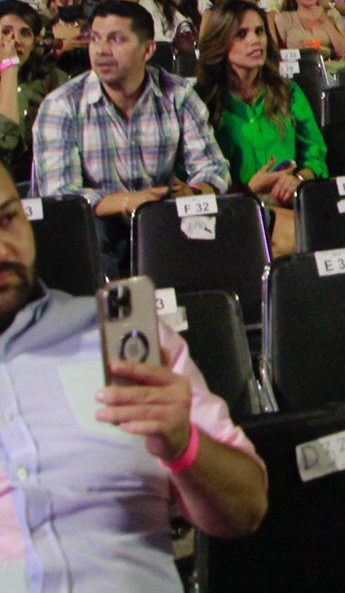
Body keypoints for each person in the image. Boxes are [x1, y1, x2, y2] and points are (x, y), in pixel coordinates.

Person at [0, 161, 268, 587]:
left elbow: (247, 508)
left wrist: (183, 443)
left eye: (7, 219)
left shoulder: (117, 334)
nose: (3, 250)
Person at [31, 1, 231, 276]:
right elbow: (61, 197)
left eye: (116, 40)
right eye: (95, 39)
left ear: (147, 50)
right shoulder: (62, 105)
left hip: (162, 220)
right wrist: (128, 202)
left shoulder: (177, 94)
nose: (101, 50)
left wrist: (194, 193)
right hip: (94, 231)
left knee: (226, 230)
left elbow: (213, 167)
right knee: (94, 237)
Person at [195, 0, 328, 257]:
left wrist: (298, 180)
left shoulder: (288, 92)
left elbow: (315, 155)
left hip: (291, 206)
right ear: (220, 42)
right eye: (241, 34)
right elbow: (196, 183)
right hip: (230, 214)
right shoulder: (203, 102)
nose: (255, 41)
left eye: (259, 31)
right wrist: (249, 189)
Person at [0, 0, 66, 180]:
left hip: (35, 179)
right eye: (6, 32)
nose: (15, 40)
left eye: (25, 33)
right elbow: (4, 144)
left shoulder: (52, 80)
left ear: (34, 43)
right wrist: (9, 68)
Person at [271, 0, 345, 60]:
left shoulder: (332, 14)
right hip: (298, 64)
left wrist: (325, 20)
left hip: (329, 64)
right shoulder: (285, 18)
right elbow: (277, 53)